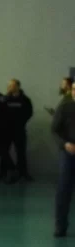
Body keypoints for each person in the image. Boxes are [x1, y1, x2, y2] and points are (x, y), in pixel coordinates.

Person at [53, 79, 75, 237]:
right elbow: (54, 130)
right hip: (68, 152)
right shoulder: (65, 108)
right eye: (73, 89)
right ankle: (61, 225)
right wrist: (65, 143)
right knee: (64, 188)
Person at [1, 78, 34, 182]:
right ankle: (4, 173)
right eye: (9, 85)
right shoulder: (5, 99)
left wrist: (20, 122)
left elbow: (29, 113)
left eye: (12, 85)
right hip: (6, 130)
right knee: (4, 151)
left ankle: (23, 173)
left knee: (21, 152)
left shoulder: (25, 99)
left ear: (18, 86)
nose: (10, 87)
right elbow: (0, 112)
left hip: (19, 130)